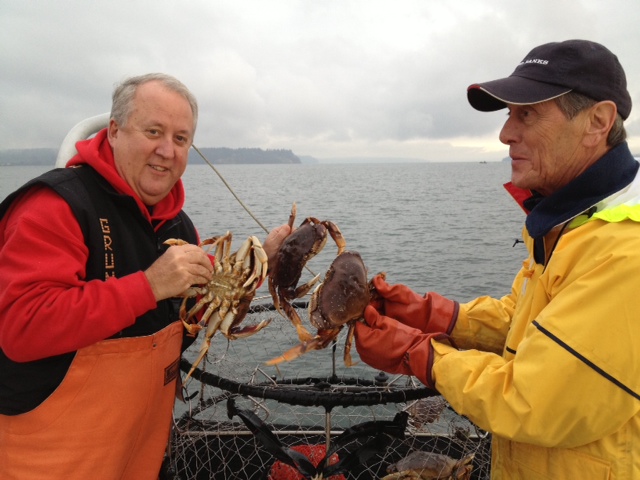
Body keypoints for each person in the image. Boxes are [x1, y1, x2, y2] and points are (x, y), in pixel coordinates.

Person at [354, 39, 640, 478]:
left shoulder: (626, 253)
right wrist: (433, 315)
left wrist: (419, 353)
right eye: (509, 114)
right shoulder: (577, 223)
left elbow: (535, 398)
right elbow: (525, 324)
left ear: (596, 122)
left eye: (527, 114)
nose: (506, 134)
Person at [0, 73, 287, 479]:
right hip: (49, 459)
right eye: (154, 131)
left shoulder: (179, 228)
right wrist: (149, 286)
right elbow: (22, 328)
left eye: (182, 139)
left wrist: (258, 270)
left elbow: (197, 313)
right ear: (114, 131)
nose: (167, 151)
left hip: (139, 456)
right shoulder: (55, 206)